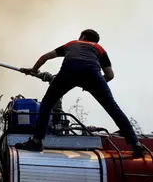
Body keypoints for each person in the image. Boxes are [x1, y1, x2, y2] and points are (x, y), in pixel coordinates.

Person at [16, 29, 147, 157]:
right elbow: (110, 75)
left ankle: (36, 141)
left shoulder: (72, 44)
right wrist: (93, 85)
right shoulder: (99, 49)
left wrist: (34, 69)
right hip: (93, 75)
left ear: (82, 36)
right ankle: (136, 145)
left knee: (47, 104)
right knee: (113, 108)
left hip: (68, 73)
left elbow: (45, 57)